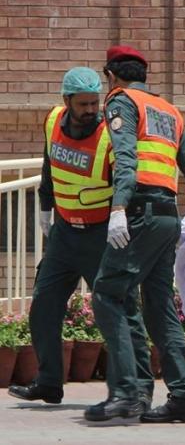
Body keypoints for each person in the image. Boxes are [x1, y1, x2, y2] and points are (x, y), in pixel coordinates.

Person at [7, 67, 153, 407]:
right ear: (66, 100)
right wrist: (46, 206)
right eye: (83, 104)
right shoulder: (52, 121)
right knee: (44, 305)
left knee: (121, 309)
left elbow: (125, 176)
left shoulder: (108, 132)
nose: (90, 110)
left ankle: (139, 388)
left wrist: (120, 214)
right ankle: (48, 383)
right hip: (64, 233)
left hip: (101, 235)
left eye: (94, 103)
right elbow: (48, 165)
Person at [84, 45, 185, 422]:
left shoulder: (121, 101)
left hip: (139, 212)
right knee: (159, 306)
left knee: (107, 293)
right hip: (167, 217)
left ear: (112, 76)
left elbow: (126, 159)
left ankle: (127, 393)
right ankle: (184, 396)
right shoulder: (169, 110)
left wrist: (119, 208)